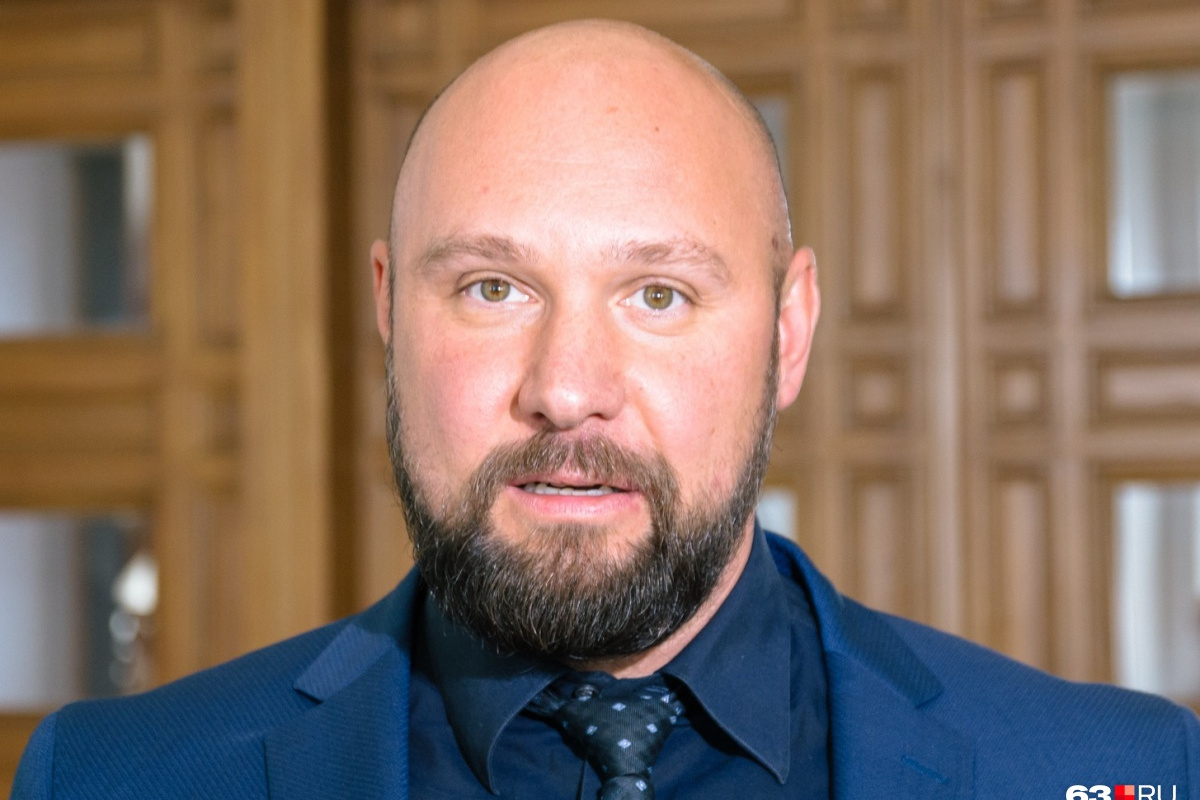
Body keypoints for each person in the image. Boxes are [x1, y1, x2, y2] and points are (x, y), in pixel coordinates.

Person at [12, 18, 1199, 800]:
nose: (567, 386)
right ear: (388, 310)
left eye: (659, 294)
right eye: (493, 287)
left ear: (788, 332)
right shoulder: (114, 777)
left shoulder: (1117, 768)